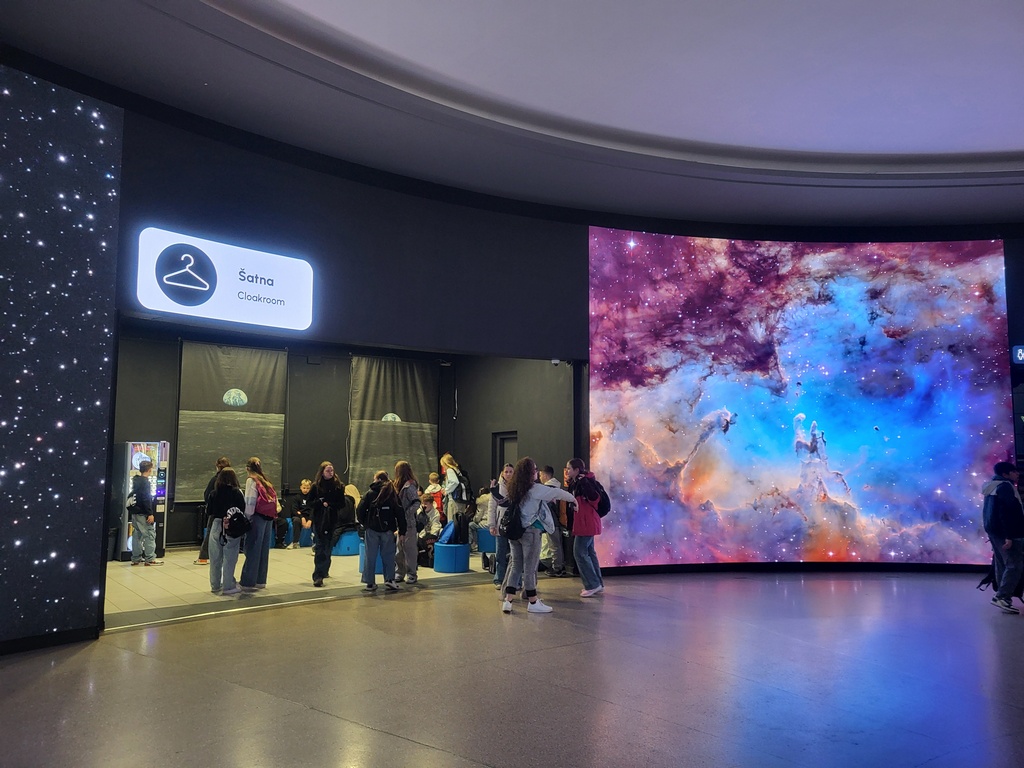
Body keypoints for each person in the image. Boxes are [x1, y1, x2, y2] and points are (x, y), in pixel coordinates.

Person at [493, 457, 576, 614]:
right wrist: (573, 499)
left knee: (516, 566)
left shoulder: (514, 487)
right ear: (531, 473)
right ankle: (533, 601)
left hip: (514, 532)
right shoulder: (535, 489)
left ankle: (508, 601)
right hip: (530, 532)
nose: (537, 472)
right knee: (530, 568)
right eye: (535, 469)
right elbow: (556, 492)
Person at [982, 461, 1024, 614]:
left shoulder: (991, 487)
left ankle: (1002, 595)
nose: (1017, 474)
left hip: (994, 531)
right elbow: (1006, 513)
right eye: (1014, 471)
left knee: (1002, 564)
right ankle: (1002, 597)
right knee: (1014, 564)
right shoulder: (1005, 487)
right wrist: (1009, 536)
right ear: (1005, 474)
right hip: (1008, 533)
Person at [356, 470, 405, 592]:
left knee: (370, 556)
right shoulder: (392, 493)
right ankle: (390, 579)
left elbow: (360, 510)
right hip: (388, 529)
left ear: (377, 479)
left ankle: (370, 582)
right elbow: (400, 513)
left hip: (372, 529)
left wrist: (365, 523)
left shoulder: (369, 493)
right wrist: (402, 530)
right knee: (388, 556)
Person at [566, 458, 606, 597]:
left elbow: (594, 499)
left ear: (576, 470)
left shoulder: (585, 482)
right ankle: (597, 583)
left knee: (580, 553)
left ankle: (592, 584)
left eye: (569, 468)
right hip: (586, 522)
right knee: (589, 552)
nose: (567, 471)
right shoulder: (579, 482)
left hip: (586, 523)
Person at [206, 467, 246, 595]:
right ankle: (228, 586)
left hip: (216, 524)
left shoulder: (214, 493)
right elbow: (242, 509)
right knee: (230, 557)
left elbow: (209, 511)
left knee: (215, 557)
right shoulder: (237, 493)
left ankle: (215, 585)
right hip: (232, 525)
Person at [240, 456, 277, 590]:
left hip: (257, 518)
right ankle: (261, 581)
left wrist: (247, 518)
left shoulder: (251, 481)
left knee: (253, 549)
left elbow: (250, 501)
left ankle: (248, 582)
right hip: (268, 518)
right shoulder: (265, 480)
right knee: (263, 550)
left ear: (247, 469)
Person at [310, 461, 346, 587]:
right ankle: (318, 575)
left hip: (332, 519)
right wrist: (320, 503)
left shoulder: (338, 486)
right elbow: (310, 503)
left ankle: (324, 570)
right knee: (320, 546)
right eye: (328, 471)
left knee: (328, 546)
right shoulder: (315, 486)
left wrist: (330, 504)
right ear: (322, 472)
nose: (330, 473)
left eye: (332, 470)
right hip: (319, 520)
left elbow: (342, 504)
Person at [195, 456, 231, 564]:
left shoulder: (215, 480)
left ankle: (204, 557)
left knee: (211, 534)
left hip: (215, 513)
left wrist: (210, 508)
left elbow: (207, 495)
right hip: (230, 514)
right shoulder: (232, 480)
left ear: (217, 466)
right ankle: (224, 556)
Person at [487, 463, 515, 589]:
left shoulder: (518, 487)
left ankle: (515, 581)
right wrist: (492, 525)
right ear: (502, 473)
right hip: (500, 526)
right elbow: (491, 508)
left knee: (515, 555)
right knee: (500, 553)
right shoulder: (496, 489)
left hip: (514, 526)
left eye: (510, 471)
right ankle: (499, 578)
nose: (508, 474)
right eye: (506, 471)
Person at [130, 460, 162, 566]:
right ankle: (150, 558)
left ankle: (136, 558)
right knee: (149, 534)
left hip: (135, 512)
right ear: (149, 470)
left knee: (137, 535)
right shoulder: (145, 482)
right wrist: (150, 513)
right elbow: (146, 499)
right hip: (143, 513)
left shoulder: (136, 481)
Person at [393, 461, 421, 584]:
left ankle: (412, 574)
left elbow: (417, 502)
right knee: (399, 550)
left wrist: (407, 513)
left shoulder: (410, 487)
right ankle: (399, 573)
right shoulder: (399, 486)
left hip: (409, 523)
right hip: (400, 523)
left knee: (410, 550)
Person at [538, 465, 567, 577]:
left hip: (551, 522)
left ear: (545, 475)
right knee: (557, 545)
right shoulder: (557, 488)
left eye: (540, 475)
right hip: (558, 521)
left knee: (554, 546)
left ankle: (557, 568)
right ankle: (559, 566)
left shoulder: (547, 490)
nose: (540, 478)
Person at [440, 453, 468, 530]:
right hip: (461, 500)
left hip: (454, 501)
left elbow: (454, 482)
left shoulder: (450, 470)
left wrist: (446, 490)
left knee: (452, 523)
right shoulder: (457, 470)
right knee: (459, 522)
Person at [284, 478, 315, 549]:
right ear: (301, 487)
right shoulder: (296, 497)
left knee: (317, 520)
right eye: (304, 488)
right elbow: (294, 510)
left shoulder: (312, 498)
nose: (305, 490)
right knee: (296, 520)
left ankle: (315, 543)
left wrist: (310, 520)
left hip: (309, 516)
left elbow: (313, 509)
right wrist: (301, 517)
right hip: (299, 516)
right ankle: (295, 542)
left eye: (307, 488)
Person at [416, 493, 443, 566]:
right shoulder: (419, 511)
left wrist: (430, 536)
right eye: (422, 503)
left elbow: (435, 526)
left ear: (431, 504)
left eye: (426, 504)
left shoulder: (435, 513)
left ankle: (430, 558)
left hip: (430, 535)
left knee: (438, 532)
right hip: (420, 535)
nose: (424, 505)